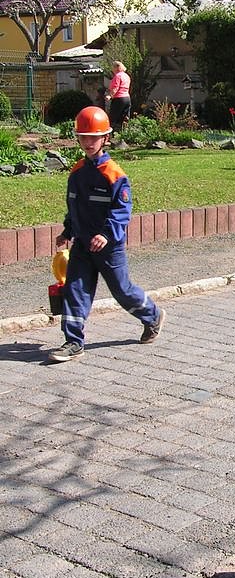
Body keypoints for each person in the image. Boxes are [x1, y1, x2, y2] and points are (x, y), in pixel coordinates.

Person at [48, 106, 165, 362]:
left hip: (108, 248)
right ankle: (72, 341)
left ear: (105, 139)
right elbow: (74, 206)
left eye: (94, 137)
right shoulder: (77, 172)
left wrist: (106, 235)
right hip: (81, 246)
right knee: (75, 290)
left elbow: (122, 211)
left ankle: (152, 315)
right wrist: (67, 231)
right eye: (83, 137)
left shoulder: (115, 175)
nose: (88, 142)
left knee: (122, 291)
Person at [105, 61, 131, 132]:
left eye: (113, 67)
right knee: (123, 118)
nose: (112, 70)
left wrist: (110, 96)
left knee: (113, 119)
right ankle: (123, 134)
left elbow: (115, 88)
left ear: (116, 68)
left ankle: (111, 135)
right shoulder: (127, 76)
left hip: (119, 99)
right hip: (127, 98)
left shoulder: (118, 76)